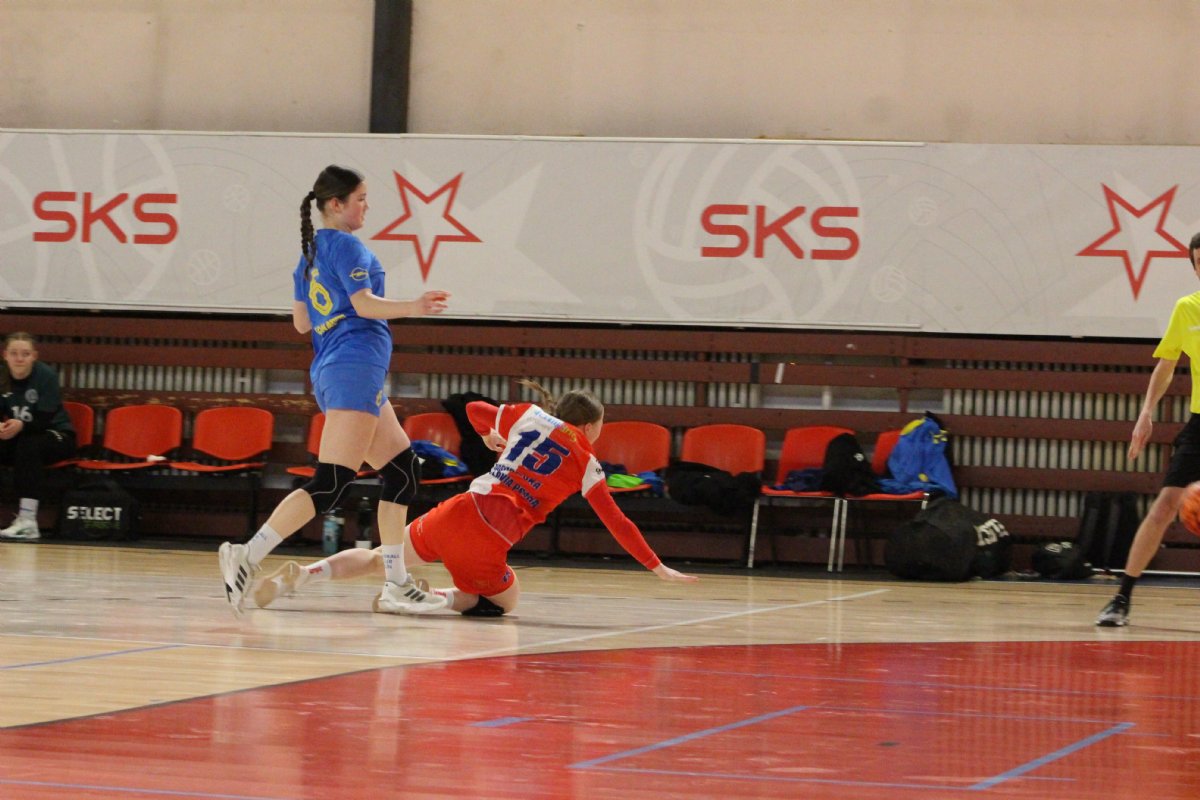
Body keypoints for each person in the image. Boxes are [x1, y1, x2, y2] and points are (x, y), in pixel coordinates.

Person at [218, 164, 450, 618]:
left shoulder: (310, 255)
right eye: (360, 199)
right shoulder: (347, 246)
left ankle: (396, 585)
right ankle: (246, 554)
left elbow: (301, 322)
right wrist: (415, 305)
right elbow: (363, 304)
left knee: (402, 471)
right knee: (331, 484)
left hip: (337, 369)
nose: (366, 207)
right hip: (354, 366)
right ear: (335, 204)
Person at [251, 380, 699, 616]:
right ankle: (431, 599)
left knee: (381, 556)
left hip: (458, 510)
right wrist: (656, 566)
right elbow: (618, 521)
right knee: (506, 600)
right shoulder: (587, 461)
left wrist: (489, 435)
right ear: (588, 427)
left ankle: (304, 575)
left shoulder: (529, 416)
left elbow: (471, 410)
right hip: (489, 536)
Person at [1096, 231, 1200, 627]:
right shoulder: (1188, 309)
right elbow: (1166, 364)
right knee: (1164, 506)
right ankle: (1121, 598)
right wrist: (1146, 412)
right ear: (1194, 269)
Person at [0, 332, 77, 540]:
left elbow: (43, 420)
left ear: (34, 356)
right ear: (5, 355)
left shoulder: (45, 376)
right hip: (21, 436)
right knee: (22, 444)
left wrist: (21, 425)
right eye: (14, 353)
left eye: (25, 354)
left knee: (29, 445)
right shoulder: (1, 375)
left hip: (57, 435)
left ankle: (28, 521)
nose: (19, 358)